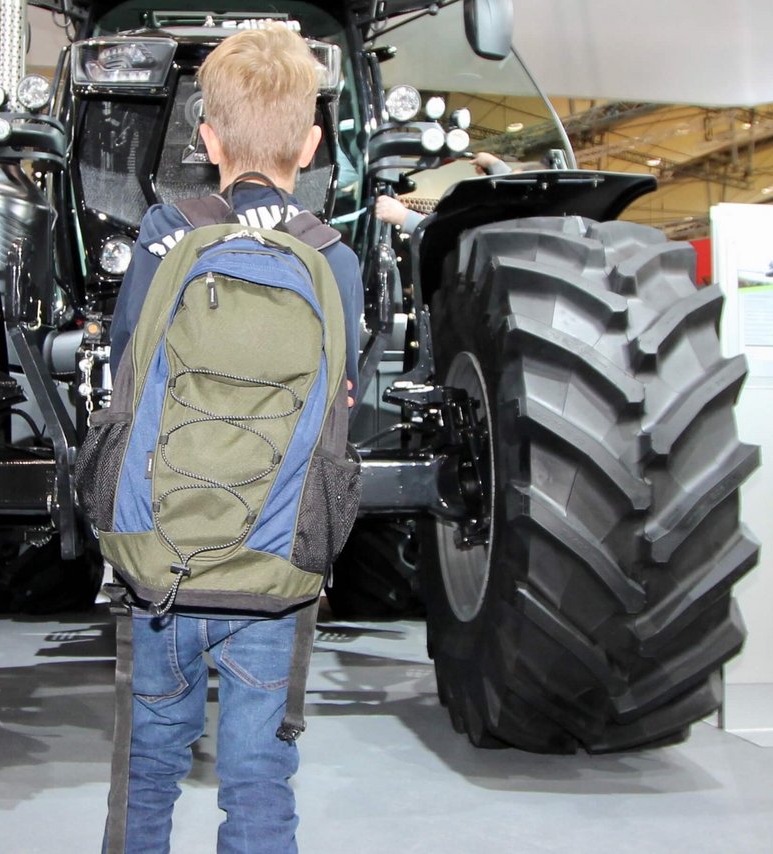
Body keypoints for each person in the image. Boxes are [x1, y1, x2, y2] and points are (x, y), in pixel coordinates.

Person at [103, 24, 363, 854]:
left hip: (161, 567)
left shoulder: (160, 233)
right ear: (313, 143)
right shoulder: (333, 255)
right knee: (258, 779)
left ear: (205, 137)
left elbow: (124, 367)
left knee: (147, 769)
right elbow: (346, 396)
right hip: (276, 567)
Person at [374, 150, 514, 230]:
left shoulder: (504, 227)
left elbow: (448, 236)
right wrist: (495, 164)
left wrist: (404, 217)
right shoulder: (530, 204)